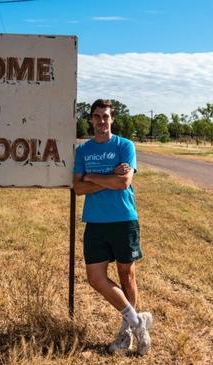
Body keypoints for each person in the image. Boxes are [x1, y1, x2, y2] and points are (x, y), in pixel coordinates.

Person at [73, 99, 152, 355]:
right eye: (96, 116)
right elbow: (78, 188)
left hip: (123, 219)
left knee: (126, 275)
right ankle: (138, 321)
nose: (101, 121)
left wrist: (92, 176)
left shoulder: (125, 146)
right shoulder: (83, 151)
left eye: (105, 116)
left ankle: (126, 334)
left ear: (112, 119)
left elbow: (123, 183)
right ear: (91, 120)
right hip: (95, 221)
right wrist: (109, 176)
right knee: (95, 278)